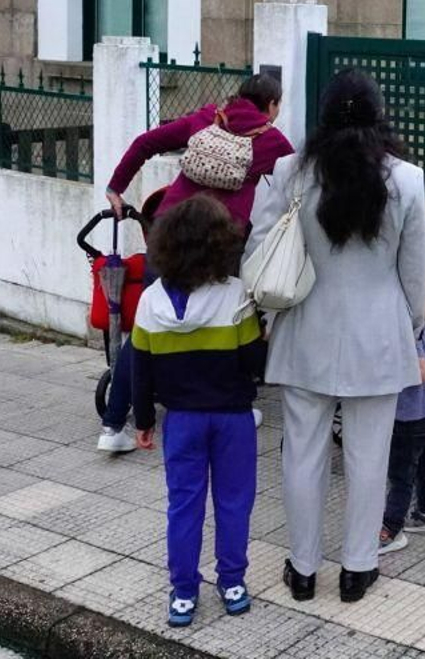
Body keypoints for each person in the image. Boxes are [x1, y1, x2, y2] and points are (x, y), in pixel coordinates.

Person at [245, 70, 425, 604]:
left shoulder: (288, 173)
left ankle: (302, 570)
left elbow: (260, 247)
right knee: (369, 458)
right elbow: (414, 274)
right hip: (380, 332)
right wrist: (411, 329)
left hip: (304, 329)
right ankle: (357, 569)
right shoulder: (407, 180)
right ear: (379, 116)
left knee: (301, 455)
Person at [96, 72, 292, 454]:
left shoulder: (206, 119)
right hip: (219, 246)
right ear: (271, 105)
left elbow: (145, 143)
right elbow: (302, 179)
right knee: (227, 326)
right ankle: (234, 405)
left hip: (167, 237)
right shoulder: (269, 139)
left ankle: (113, 427)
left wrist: (115, 187)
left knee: (145, 332)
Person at [129, 195, 266, 627]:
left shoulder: (150, 302)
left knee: (183, 505)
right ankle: (233, 583)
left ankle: (184, 592)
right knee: (234, 502)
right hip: (233, 419)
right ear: (221, 245)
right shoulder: (235, 295)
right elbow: (254, 364)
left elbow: (139, 370)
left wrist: (145, 421)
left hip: (182, 420)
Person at [379, 274, 425, 555]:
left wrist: (388, 373)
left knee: (401, 475)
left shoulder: (412, 332)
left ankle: (390, 530)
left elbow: (420, 372)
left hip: (406, 419)